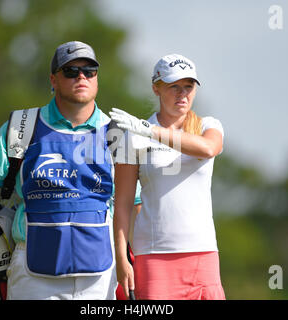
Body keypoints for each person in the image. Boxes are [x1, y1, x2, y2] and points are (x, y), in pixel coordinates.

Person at [0, 40, 130, 300]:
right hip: (34, 273)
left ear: (96, 78)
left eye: (89, 71)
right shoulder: (21, 126)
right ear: (53, 80)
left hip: (100, 275)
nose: (81, 76)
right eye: (71, 71)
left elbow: (134, 203)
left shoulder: (117, 131)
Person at [110, 53, 226, 300]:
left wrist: (150, 130)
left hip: (204, 255)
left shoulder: (208, 125)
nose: (182, 94)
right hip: (154, 258)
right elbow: (122, 204)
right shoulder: (134, 135)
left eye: (188, 87)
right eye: (174, 87)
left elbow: (208, 148)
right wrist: (121, 258)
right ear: (156, 88)